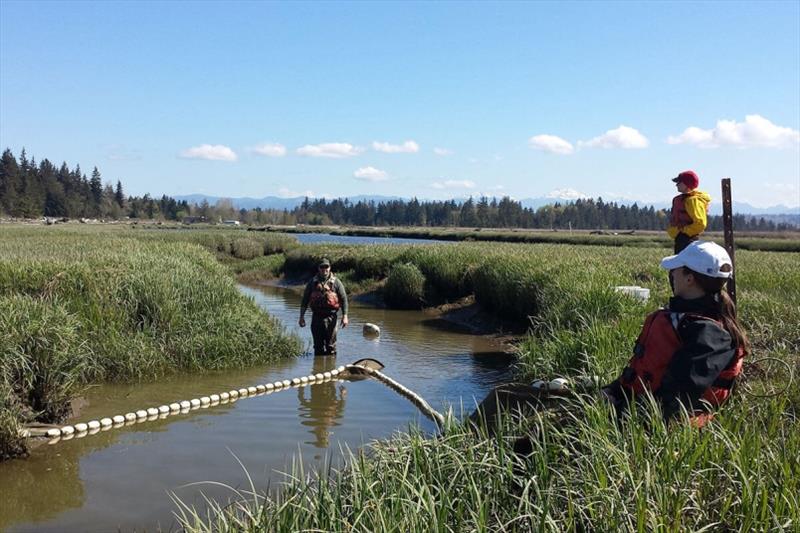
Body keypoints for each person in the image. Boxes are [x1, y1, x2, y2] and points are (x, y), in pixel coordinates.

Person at [472, 241, 748, 432]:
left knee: (541, 429)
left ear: (689, 278)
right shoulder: (685, 318)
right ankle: (461, 439)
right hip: (630, 401)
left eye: (676, 269)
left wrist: (614, 414)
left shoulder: (710, 335)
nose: (671, 274)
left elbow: (674, 400)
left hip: (648, 419)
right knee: (505, 395)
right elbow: (641, 372)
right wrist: (612, 391)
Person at [299, 258, 349, 356]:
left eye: (326, 267)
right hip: (316, 317)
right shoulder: (312, 282)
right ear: (318, 268)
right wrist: (301, 317)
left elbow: (344, 299)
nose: (324, 269)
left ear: (330, 268)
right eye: (322, 267)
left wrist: (345, 316)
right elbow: (305, 300)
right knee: (318, 347)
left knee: (331, 346)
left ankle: (331, 368)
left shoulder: (336, 282)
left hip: (331, 317)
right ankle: (318, 368)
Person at [667, 170, 711, 253]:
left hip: (688, 239)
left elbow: (700, 223)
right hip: (682, 238)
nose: (676, 185)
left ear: (686, 184)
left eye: (679, 182)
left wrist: (684, 231)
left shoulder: (693, 201)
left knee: (684, 264)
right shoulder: (682, 199)